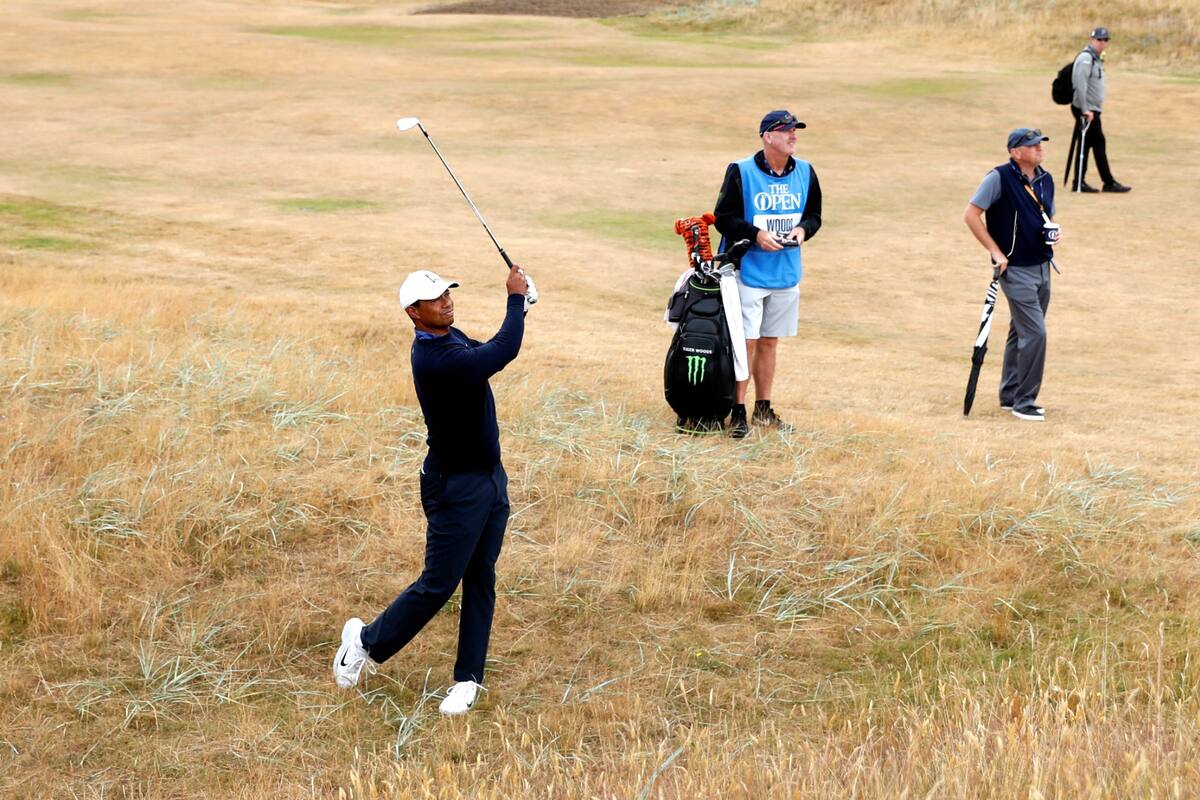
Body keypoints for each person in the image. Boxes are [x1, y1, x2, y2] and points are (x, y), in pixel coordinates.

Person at [334, 263, 532, 716]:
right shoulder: (433, 358)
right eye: (435, 298)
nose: (446, 301)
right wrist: (516, 300)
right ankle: (363, 643)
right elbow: (499, 354)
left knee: (481, 577)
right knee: (438, 585)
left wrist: (523, 308)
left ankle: (467, 680)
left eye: (447, 292)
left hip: (488, 478)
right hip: (453, 486)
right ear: (413, 313)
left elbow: (491, 348)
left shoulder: (451, 337)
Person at [714, 109, 822, 438]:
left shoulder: (805, 171)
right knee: (745, 342)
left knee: (770, 341)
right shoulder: (741, 170)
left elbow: (814, 215)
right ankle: (738, 410)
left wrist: (803, 231)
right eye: (786, 130)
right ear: (767, 136)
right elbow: (723, 217)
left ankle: (763, 408)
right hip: (748, 270)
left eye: (795, 130)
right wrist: (757, 234)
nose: (793, 136)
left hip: (786, 271)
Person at [963, 128, 1062, 422]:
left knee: (1020, 331)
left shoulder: (1046, 179)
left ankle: (1009, 394)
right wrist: (995, 251)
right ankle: (1025, 401)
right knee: (1035, 333)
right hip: (1015, 269)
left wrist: (1053, 233)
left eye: (1040, 144)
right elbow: (971, 214)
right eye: (1032, 145)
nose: (1039, 149)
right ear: (1015, 152)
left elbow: (1047, 215)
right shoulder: (999, 178)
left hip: (1043, 266)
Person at [1070, 26, 1131, 193]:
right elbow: (1080, 86)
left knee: (1088, 144)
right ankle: (1106, 182)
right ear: (1092, 40)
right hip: (1087, 110)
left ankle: (1080, 182)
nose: (1102, 43)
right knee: (1097, 143)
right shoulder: (1085, 59)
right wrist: (1085, 109)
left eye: (1105, 40)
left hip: (1092, 109)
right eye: (1099, 40)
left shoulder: (1096, 58)